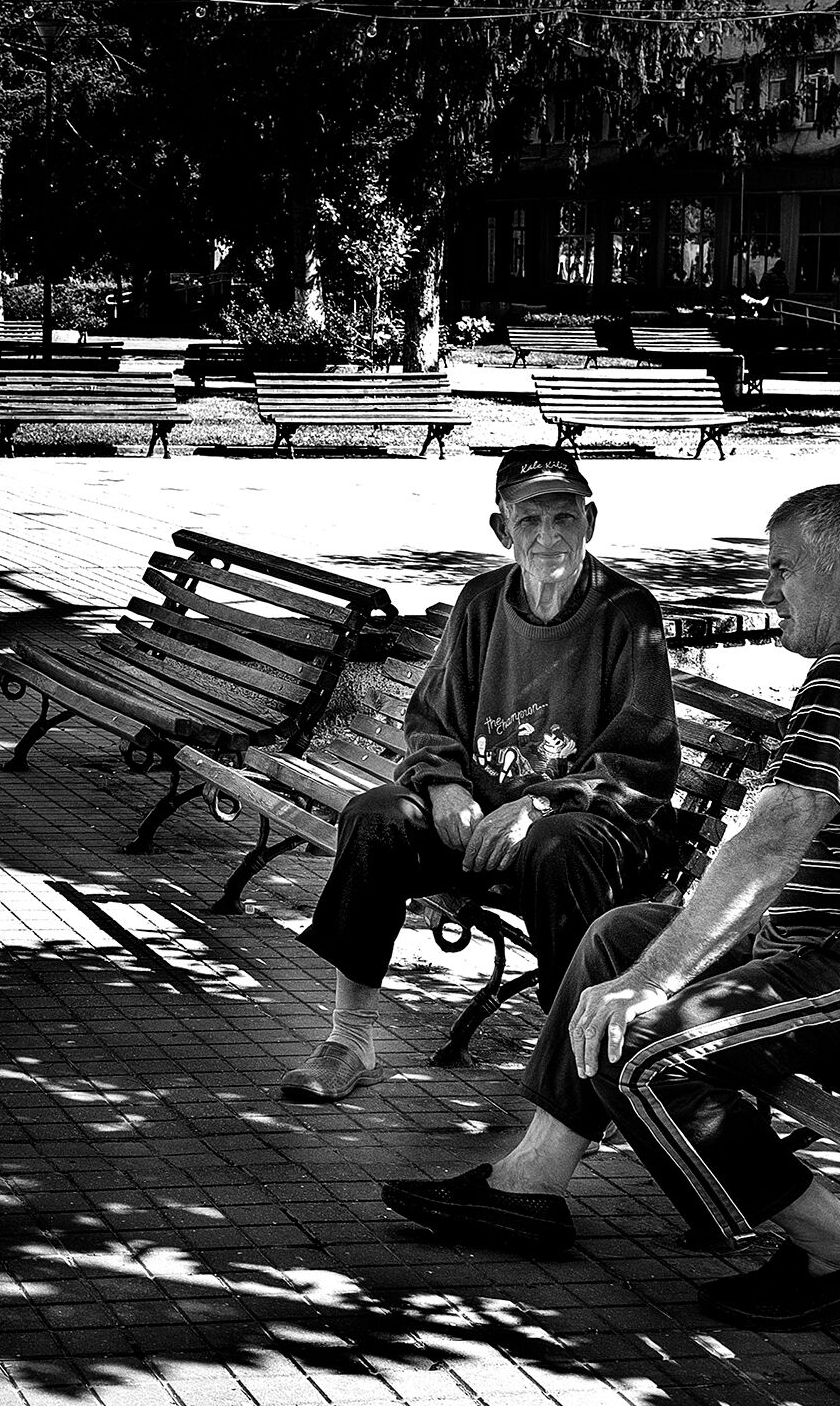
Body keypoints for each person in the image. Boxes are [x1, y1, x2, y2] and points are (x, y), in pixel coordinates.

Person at [380, 483, 840, 1328]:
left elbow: (771, 839)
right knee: (618, 936)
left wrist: (655, 984)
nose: (768, 590)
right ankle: (533, 1180)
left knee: (652, 1039)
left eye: (781, 571)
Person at [281, 444, 681, 1101]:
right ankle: (348, 1039)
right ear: (502, 530)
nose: (549, 537)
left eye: (565, 518)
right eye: (530, 521)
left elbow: (643, 758)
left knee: (561, 844)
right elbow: (433, 716)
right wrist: (444, 784)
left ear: (591, 521)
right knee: (377, 816)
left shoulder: (628, 611)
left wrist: (539, 806)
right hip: (479, 826)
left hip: (584, 831)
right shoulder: (481, 601)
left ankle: (571, 1066)